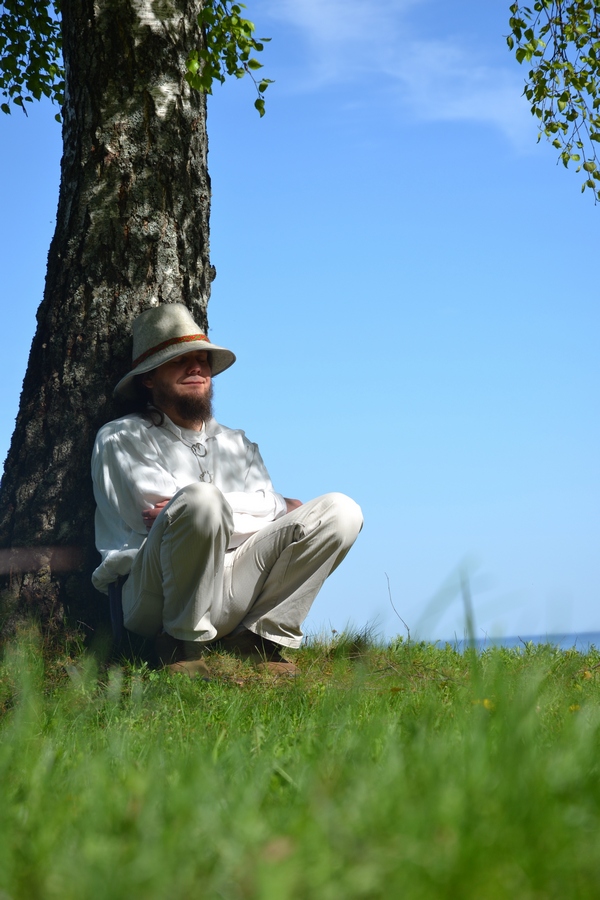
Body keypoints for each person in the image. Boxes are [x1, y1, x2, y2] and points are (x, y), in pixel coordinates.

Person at [91, 304, 363, 677]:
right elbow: (158, 522)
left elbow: (192, 514)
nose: (196, 368)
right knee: (202, 501)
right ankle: (181, 645)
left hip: (237, 585)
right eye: (179, 361)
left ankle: (258, 640)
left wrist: (265, 508)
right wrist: (271, 506)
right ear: (149, 378)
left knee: (341, 511)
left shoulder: (239, 444)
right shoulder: (121, 437)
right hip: (154, 597)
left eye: (202, 360)